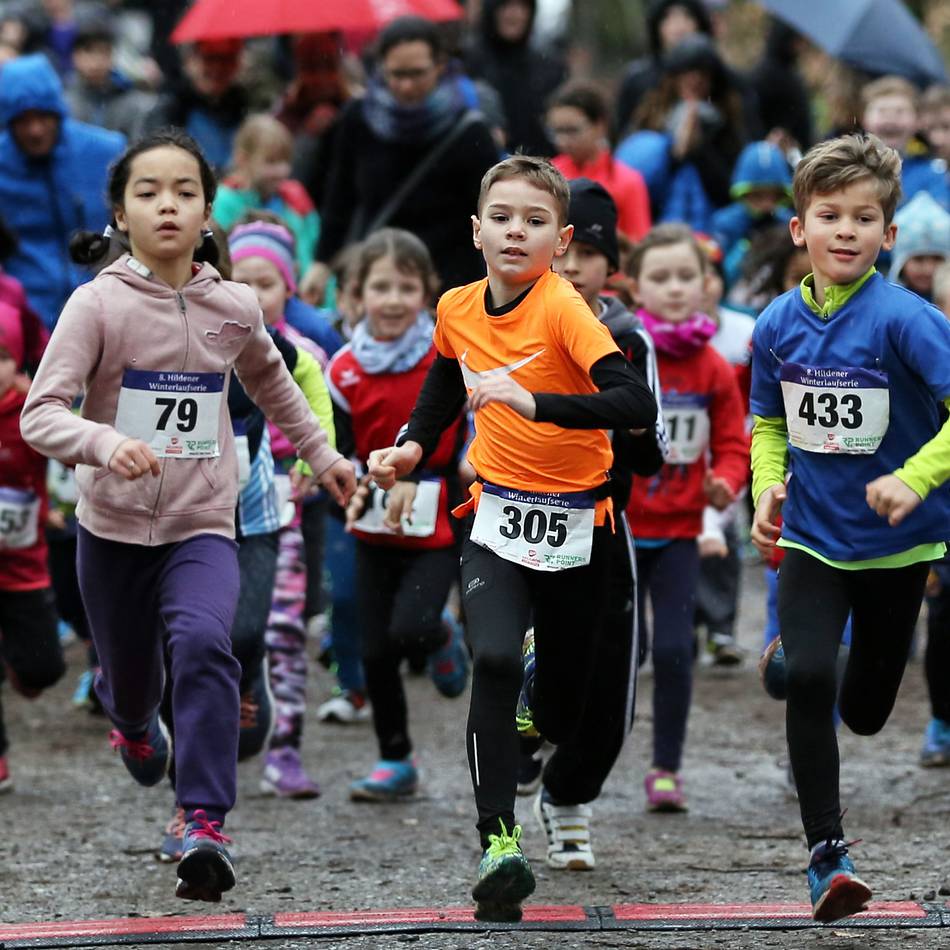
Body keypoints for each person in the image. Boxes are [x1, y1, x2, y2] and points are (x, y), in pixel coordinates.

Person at [20, 128, 355, 902]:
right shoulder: (95, 304)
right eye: (148, 192)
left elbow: (278, 389)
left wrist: (328, 460)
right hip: (111, 531)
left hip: (204, 522)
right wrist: (103, 444)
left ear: (209, 211)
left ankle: (203, 820)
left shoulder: (234, 306)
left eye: (184, 191)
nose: (167, 205)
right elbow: (42, 414)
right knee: (132, 682)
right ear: (120, 213)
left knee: (207, 643)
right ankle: (134, 724)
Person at [368, 155, 658, 920]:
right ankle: (499, 843)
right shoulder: (458, 306)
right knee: (490, 659)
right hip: (494, 515)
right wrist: (410, 444)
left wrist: (535, 402)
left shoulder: (565, 309)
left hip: (580, 527)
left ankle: (542, 684)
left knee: (561, 715)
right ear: (476, 230)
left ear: (559, 242)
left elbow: (634, 404)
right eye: (502, 218)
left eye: (534, 222)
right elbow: (442, 379)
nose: (515, 232)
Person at [750, 134, 950, 922]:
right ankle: (827, 855)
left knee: (864, 708)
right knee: (811, 683)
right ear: (799, 227)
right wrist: (769, 487)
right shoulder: (775, 324)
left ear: (887, 236)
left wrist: (913, 477)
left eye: (863, 218)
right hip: (812, 538)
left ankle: (798, 661)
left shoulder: (910, 321)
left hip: (901, 543)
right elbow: (767, 421)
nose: (844, 230)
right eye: (828, 214)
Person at [526, 177, 665, 869]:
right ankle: (520, 742)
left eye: (589, 250)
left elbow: (651, 451)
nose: (573, 265)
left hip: (603, 524)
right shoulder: (510, 322)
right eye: (562, 246)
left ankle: (568, 794)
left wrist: (636, 428)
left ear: (612, 264)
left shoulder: (630, 339)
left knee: (612, 683)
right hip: (518, 522)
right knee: (526, 660)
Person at [328, 228, 468, 801]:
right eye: (379, 287)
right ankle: (395, 759)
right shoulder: (342, 369)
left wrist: (457, 469)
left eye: (405, 287)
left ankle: (439, 637)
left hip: (438, 515)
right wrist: (347, 483)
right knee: (373, 648)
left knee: (409, 628)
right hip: (372, 516)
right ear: (356, 296)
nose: (391, 300)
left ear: (427, 293)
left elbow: (470, 429)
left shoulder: (448, 357)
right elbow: (338, 446)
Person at [625, 223, 748, 811]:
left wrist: (726, 481)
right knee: (627, 648)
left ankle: (665, 768)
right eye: (660, 278)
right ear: (636, 288)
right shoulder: (619, 354)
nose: (674, 289)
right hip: (618, 528)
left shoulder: (713, 367)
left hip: (678, 531)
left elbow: (732, 439)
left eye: (686, 278)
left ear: (705, 285)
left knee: (676, 650)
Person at [227, 219, 335, 800]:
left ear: (287, 289)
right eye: (240, 279)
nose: (253, 292)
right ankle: (228, 721)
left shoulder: (305, 353)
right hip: (218, 511)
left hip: (286, 507)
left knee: (287, 627)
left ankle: (286, 747)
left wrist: (312, 466)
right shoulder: (209, 344)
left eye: (265, 282)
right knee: (223, 630)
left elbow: (322, 416)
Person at [302, 16, 499, 305]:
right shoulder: (359, 119)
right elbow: (339, 196)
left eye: (417, 73)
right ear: (380, 68)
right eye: (397, 74)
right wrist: (322, 263)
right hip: (379, 278)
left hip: (449, 285)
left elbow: (488, 213)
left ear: (440, 66)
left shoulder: (469, 131)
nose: (406, 85)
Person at [0, 52, 125, 330]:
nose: (35, 130)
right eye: (23, 120)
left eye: (43, 116)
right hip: (27, 322)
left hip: (105, 310)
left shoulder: (104, 152)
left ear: (58, 111)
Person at [0, 301, 66, 793]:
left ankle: (23, 670)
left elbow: (74, 454)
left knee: (45, 667)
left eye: (1, 356)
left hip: (25, 564)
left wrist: (61, 505)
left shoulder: (32, 413)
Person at [213, 115, 320, 276]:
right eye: (270, 162)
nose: (281, 171)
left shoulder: (295, 201)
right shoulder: (223, 202)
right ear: (242, 159)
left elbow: (313, 255)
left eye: (285, 161)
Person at [547, 81, 651, 241]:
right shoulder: (548, 173)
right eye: (557, 131)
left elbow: (638, 242)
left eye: (572, 130)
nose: (562, 141)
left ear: (600, 126)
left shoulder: (627, 181)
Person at [463, 0, 566, 157]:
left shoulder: (548, 64)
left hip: (536, 165)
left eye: (522, 7)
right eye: (506, 6)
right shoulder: (467, 59)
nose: (514, 15)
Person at [144, 39, 250, 174]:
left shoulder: (244, 109)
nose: (217, 68)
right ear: (189, 62)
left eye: (226, 59)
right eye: (209, 58)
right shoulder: (170, 110)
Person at [614, 0, 714, 140]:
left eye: (687, 16)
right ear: (657, 25)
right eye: (670, 17)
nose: (679, 26)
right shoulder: (638, 78)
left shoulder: (716, 74)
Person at [709, 140, 793, 291]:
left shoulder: (787, 222)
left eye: (773, 196)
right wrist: (746, 245)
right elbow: (721, 275)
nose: (766, 204)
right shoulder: (725, 223)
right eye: (758, 196)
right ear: (744, 193)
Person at [860, 76, 949, 211]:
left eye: (900, 111)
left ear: (918, 122)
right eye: (882, 111)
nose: (891, 118)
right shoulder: (851, 169)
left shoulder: (932, 172)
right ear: (864, 119)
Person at [63, 14, 156, 141]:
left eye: (103, 52)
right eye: (89, 51)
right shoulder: (64, 101)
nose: (96, 61)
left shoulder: (132, 101)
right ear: (75, 56)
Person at [887, 191, 950, 302]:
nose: (928, 269)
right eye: (918, 259)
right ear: (900, 262)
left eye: (937, 258)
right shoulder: (887, 301)